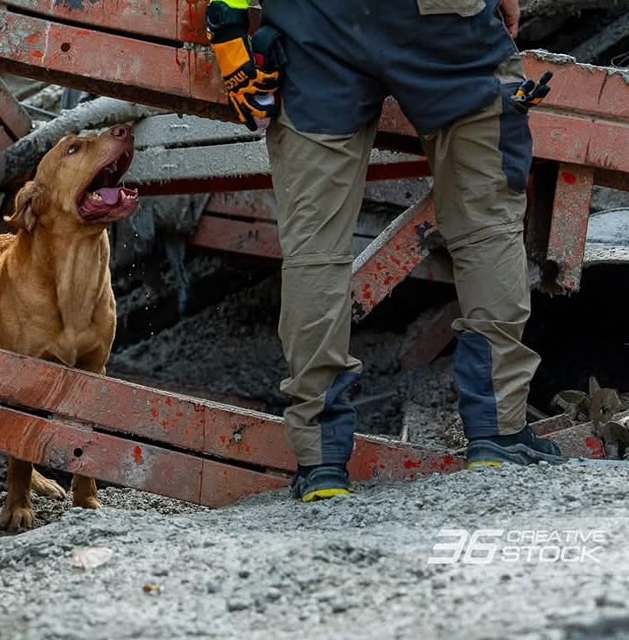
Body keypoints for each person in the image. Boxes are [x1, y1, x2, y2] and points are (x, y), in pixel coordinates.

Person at [203, 0, 563, 502]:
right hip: (440, 22)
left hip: (317, 26)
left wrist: (228, 28)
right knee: (485, 223)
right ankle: (497, 433)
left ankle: (322, 462)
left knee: (315, 247)